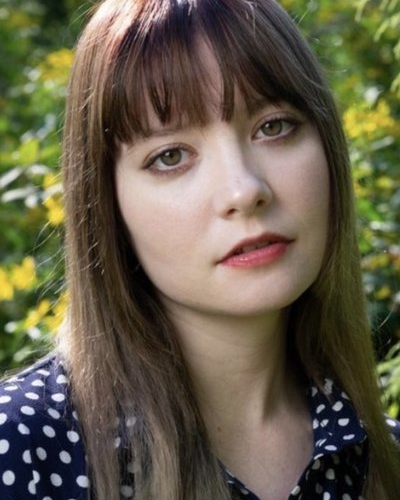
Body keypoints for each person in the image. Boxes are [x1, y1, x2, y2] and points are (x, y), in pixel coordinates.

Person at [1, 0, 399, 499]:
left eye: (273, 126)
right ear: (106, 206)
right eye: (170, 156)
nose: (244, 190)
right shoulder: (21, 450)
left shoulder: (384, 461)